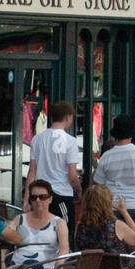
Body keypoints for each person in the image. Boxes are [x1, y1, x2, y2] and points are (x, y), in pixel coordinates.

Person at [26, 101, 81, 238]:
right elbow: (72, 175)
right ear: (68, 117)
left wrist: (27, 198)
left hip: (41, 195)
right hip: (62, 194)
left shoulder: (37, 139)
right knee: (64, 234)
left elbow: (32, 171)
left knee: (42, 232)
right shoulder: (70, 141)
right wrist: (79, 190)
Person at [92, 115, 135, 222]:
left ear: (115, 135)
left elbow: (98, 184)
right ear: (131, 134)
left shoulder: (106, 156)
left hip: (113, 208)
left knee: (115, 238)